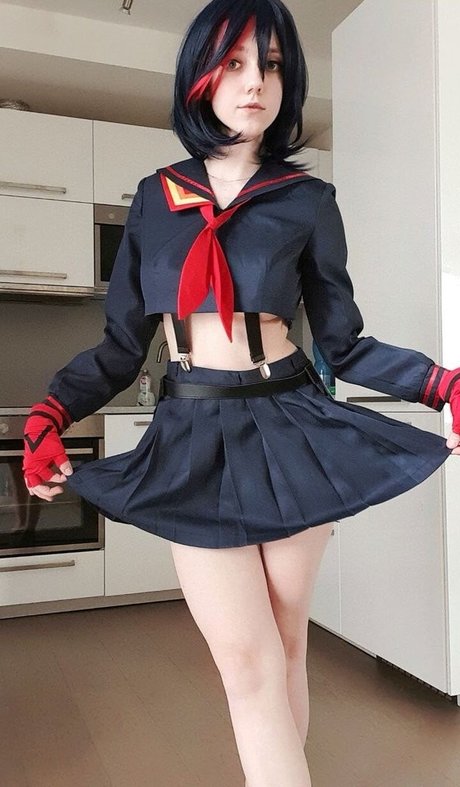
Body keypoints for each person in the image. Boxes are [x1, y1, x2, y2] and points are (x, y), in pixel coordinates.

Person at [22, 1, 459, 785]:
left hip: (292, 421)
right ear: (200, 74)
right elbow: (123, 344)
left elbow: (344, 342)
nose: (255, 81)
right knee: (248, 662)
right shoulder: (156, 198)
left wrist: (440, 384)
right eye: (233, 62)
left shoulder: (306, 201)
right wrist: (55, 409)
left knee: (285, 647)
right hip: (194, 429)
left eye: (273, 64)